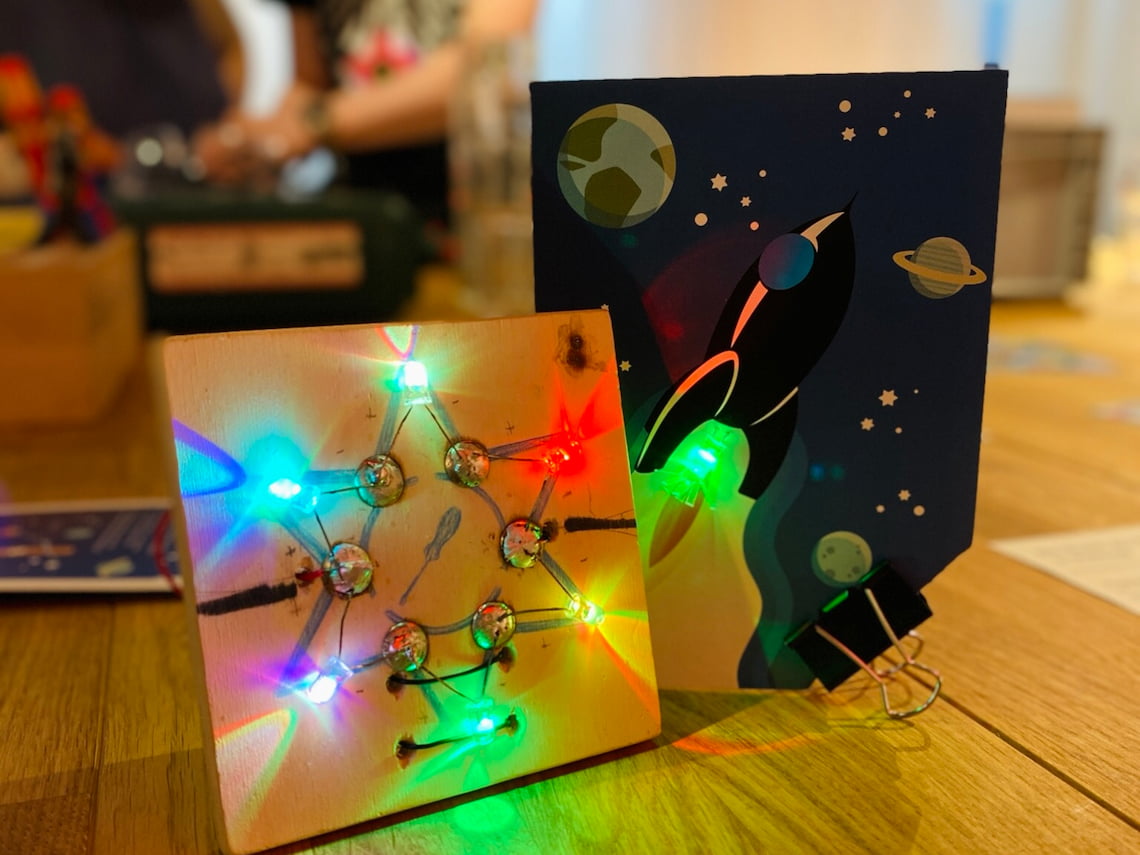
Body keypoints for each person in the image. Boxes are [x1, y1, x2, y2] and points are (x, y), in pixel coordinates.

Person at [196, 0, 536, 225]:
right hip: (364, 214)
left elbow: (489, 70)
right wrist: (252, 144)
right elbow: (310, 88)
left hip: (474, 215)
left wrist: (314, 122)